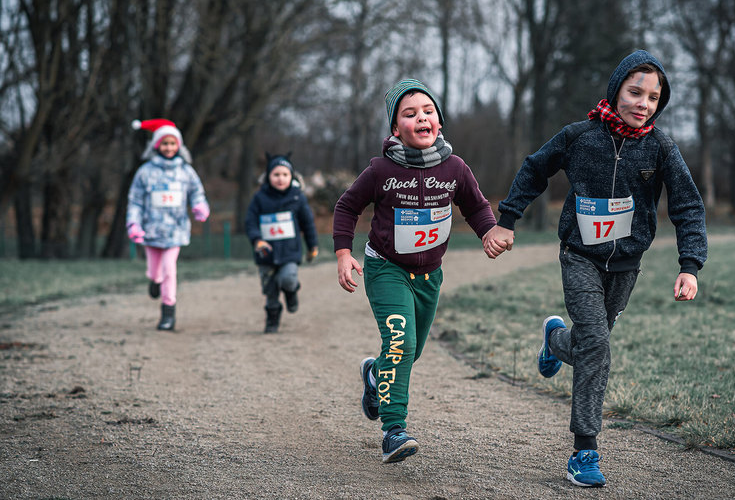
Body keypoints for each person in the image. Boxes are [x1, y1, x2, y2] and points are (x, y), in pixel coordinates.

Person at [483, 50, 708, 487]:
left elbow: (687, 206)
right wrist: (507, 218)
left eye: (653, 97)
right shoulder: (579, 136)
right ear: (616, 89)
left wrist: (690, 265)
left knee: (588, 344)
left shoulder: (661, 148)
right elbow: (535, 169)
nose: (642, 103)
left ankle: (554, 341)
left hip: (626, 266)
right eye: (634, 92)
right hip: (579, 257)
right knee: (599, 346)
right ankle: (584, 451)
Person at [333, 78, 498, 463]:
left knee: (411, 350)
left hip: (429, 277)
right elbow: (346, 207)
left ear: (439, 122)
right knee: (401, 343)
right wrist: (344, 253)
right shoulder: (380, 170)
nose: (421, 117)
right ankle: (394, 430)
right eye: (409, 114)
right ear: (395, 129)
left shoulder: (455, 167)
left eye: (428, 111)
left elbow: (475, 206)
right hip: (386, 269)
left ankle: (376, 375)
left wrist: (488, 231)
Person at [127, 118, 210, 331]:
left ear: (179, 146)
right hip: (151, 231)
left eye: (173, 143)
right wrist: (134, 224)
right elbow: (135, 200)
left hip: (176, 231)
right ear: (156, 145)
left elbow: (196, 192)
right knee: (156, 272)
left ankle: (168, 313)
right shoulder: (144, 172)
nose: (169, 148)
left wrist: (200, 206)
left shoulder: (186, 171)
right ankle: (154, 281)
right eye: (164, 143)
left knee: (169, 269)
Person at [244, 153, 319, 333]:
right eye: (276, 175)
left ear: (291, 176)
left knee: (288, 279)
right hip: (266, 254)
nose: (280, 179)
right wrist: (257, 240)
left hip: (289, 252)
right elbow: (250, 221)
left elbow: (307, 223)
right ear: (268, 176)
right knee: (270, 291)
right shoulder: (259, 197)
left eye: (285, 175)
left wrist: (312, 246)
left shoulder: (297, 197)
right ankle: (272, 321)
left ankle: (291, 292)